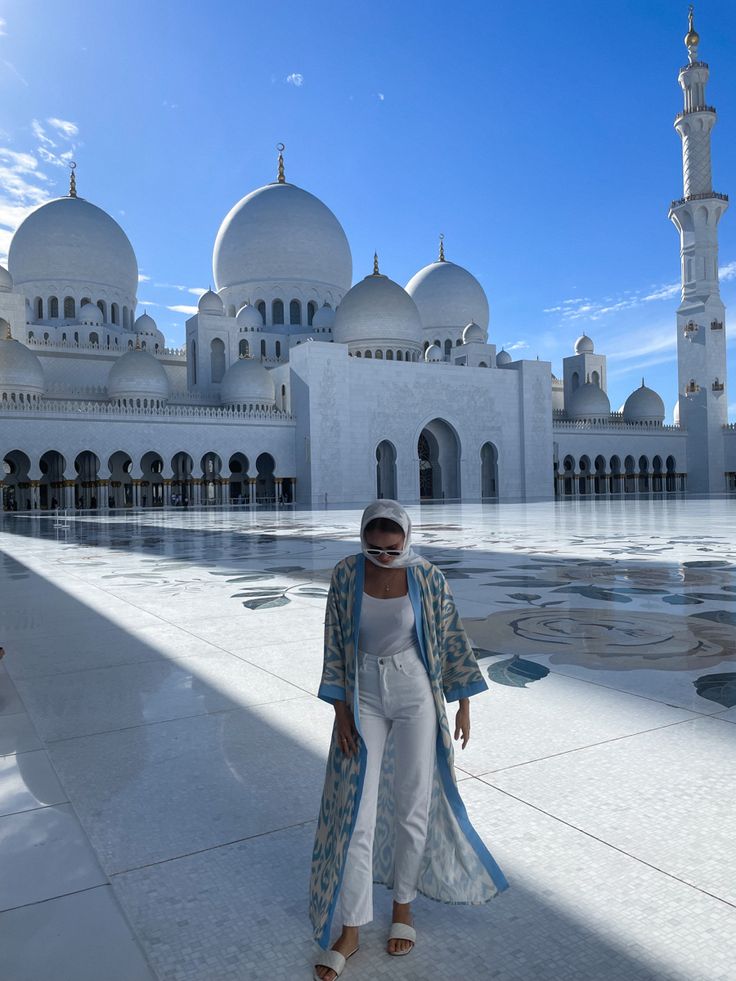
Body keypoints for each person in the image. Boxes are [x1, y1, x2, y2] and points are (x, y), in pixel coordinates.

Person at [310, 500, 508, 981]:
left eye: (391, 548)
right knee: (358, 810)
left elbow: (452, 637)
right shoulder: (345, 574)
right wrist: (341, 712)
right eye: (373, 549)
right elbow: (335, 641)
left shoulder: (427, 578)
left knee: (411, 803)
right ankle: (352, 927)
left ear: (406, 539)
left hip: (415, 691)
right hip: (363, 694)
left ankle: (404, 907)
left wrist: (463, 703)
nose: (382, 556)